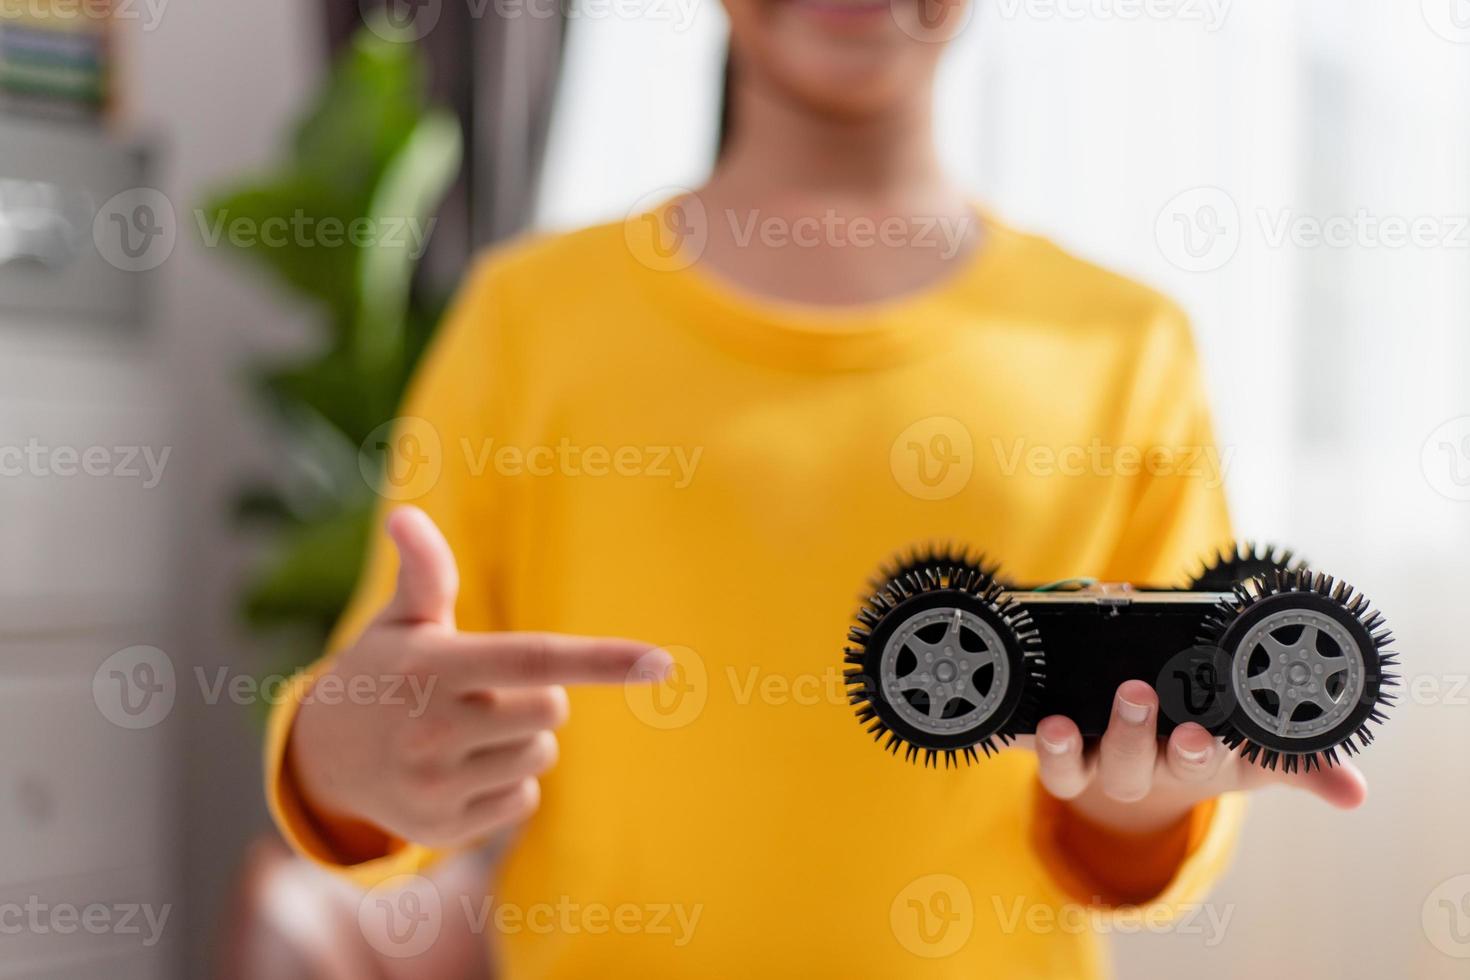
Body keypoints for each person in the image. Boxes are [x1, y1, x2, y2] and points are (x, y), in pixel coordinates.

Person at [268, 0, 1367, 974]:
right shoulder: (528, 316)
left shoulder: (1124, 344)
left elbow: (1149, 788)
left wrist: (1144, 803)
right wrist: (340, 755)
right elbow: (388, 705)